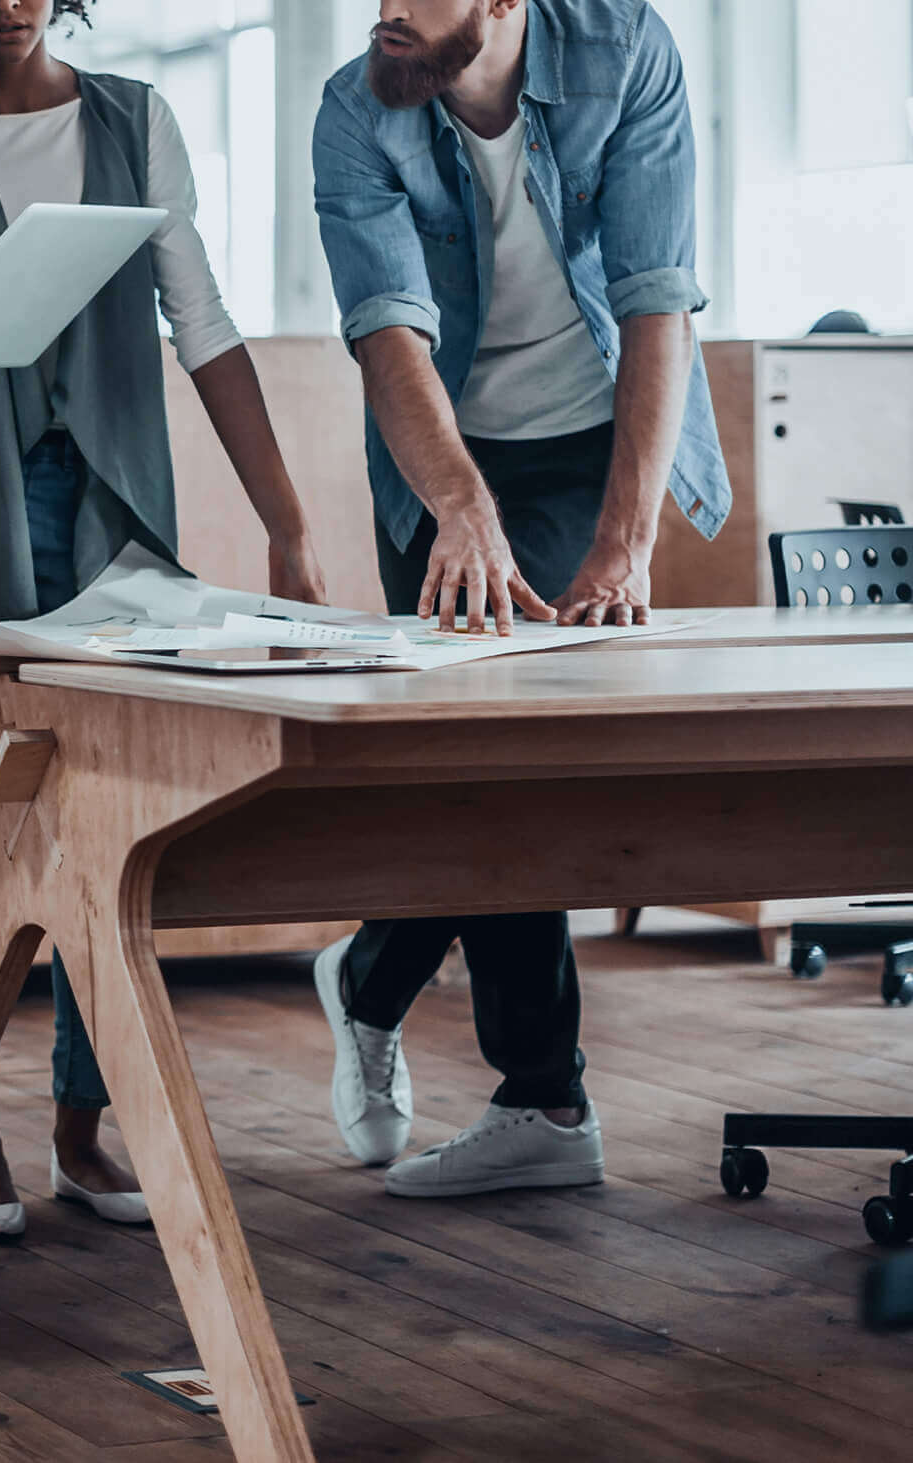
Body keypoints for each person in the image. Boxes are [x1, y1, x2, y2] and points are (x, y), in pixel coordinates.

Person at [0, 0, 330, 1237]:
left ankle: (79, 1117)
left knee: (99, 803)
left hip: (101, 499)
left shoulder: (134, 119)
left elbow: (202, 320)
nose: (7, 1)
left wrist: (284, 520)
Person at [311, 0, 728, 1196]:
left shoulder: (621, 50)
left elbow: (656, 295)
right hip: (442, 454)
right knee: (471, 768)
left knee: (532, 765)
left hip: (595, 439)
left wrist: (624, 540)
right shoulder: (355, 106)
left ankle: (394, 995)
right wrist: (457, 504)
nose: (384, 11)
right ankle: (540, 1095)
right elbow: (385, 331)